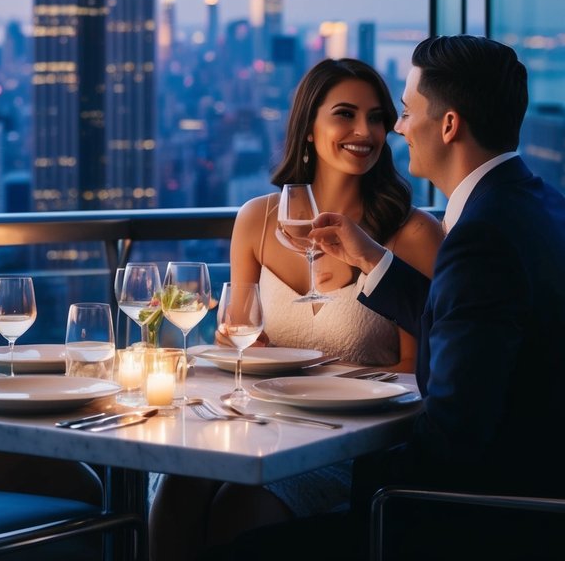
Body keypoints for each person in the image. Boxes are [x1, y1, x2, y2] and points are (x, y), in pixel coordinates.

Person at [304, 35, 565, 558]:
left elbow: (454, 438)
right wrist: (370, 260)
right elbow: (469, 322)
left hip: (500, 523)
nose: (398, 129)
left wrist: (343, 472)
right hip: (563, 499)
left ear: (449, 125)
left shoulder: (481, 236)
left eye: (405, 113)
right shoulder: (542, 206)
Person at [151, 57, 442, 561]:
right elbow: (241, 331)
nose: (364, 131)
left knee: (239, 511)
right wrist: (241, 344)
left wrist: (307, 380)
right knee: (177, 492)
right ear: (309, 128)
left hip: (352, 444)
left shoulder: (412, 235)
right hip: (264, 423)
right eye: (345, 115)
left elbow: (419, 373)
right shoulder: (257, 221)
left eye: (377, 118)